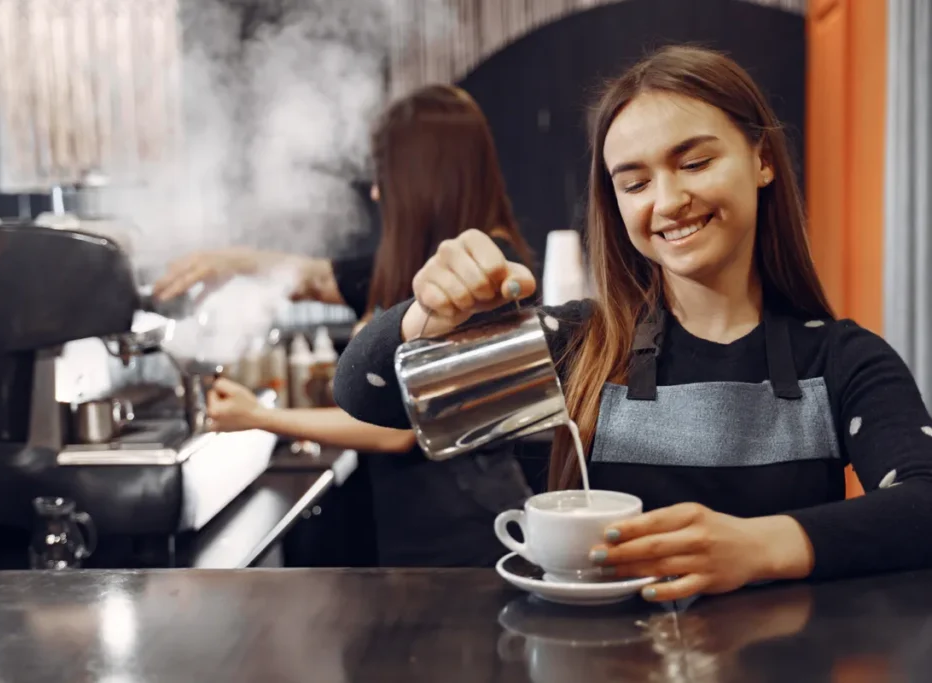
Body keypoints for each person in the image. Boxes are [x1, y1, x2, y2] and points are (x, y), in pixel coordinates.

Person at [332, 45, 932, 601]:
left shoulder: (840, 360)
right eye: (636, 183)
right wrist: (423, 316)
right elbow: (366, 395)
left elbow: (921, 503)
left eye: (694, 162)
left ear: (762, 161)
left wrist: (758, 547)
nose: (667, 201)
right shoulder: (581, 347)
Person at [154, 84, 537, 567]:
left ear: (423, 177)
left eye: (384, 176)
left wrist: (260, 418)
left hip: (466, 536)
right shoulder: (422, 267)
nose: (376, 192)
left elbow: (400, 427)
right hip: (422, 531)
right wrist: (226, 261)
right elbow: (313, 278)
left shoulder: (479, 272)